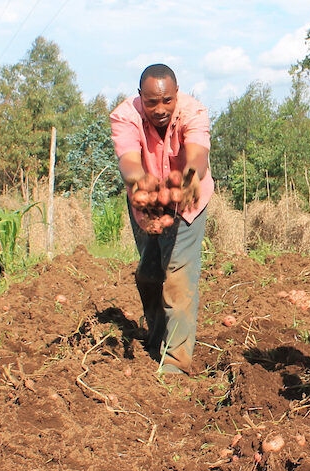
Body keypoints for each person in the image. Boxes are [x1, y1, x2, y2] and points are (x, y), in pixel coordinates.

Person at [109, 64, 212, 375]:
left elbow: (197, 155)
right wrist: (140, 184)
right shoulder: (125, 115)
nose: (160, 109)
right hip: (146, 200)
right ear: (141, 98)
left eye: (167, 100)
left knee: (178, 276)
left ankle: (176, 364)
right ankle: (156, 339)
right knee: (150, 273)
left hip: (188, 199)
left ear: (176, 95)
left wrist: (189, 179)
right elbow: (128, 159)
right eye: (152, 102)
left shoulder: (193, 111)